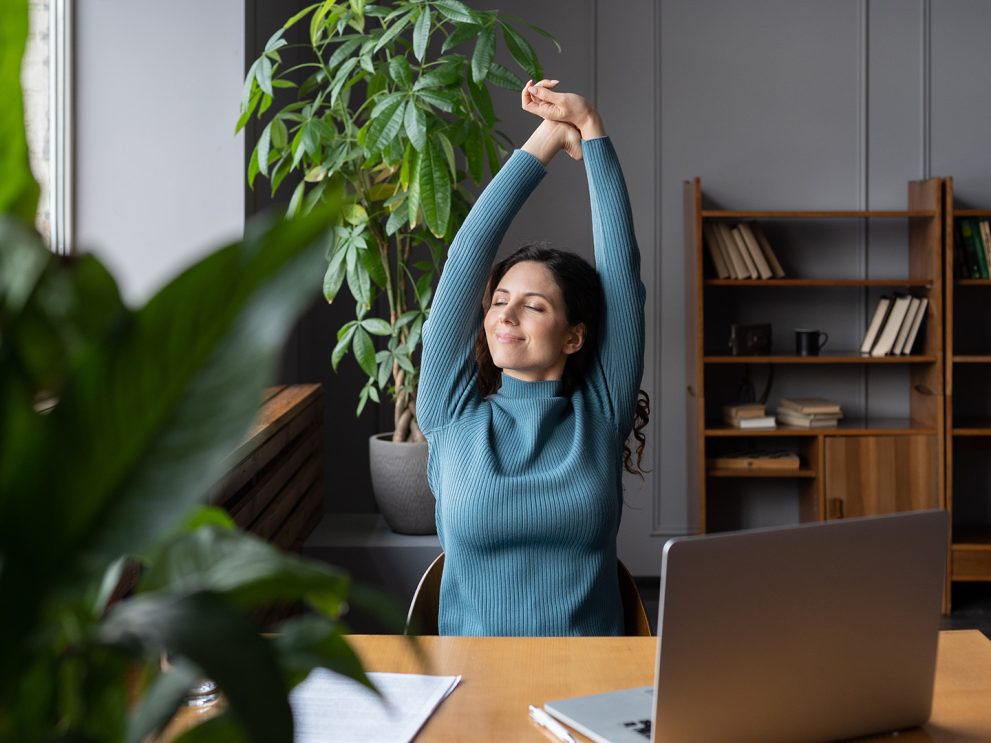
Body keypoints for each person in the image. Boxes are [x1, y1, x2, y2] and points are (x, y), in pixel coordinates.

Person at [417, 80, 647, 636]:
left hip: (593, 683)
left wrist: (590, 127)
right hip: (473, 683)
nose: (504, 316)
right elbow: (469, 252)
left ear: (573, 337)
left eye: (533, 305)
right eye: (499, 301)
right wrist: (545, 139)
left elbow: (621, 274)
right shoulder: (450, 412)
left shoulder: (601, 409)